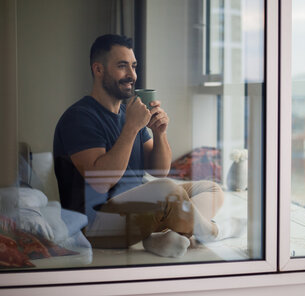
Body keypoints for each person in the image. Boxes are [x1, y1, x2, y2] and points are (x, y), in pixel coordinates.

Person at [53, 34, 241, 258]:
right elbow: (101, 182)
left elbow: (158, 170)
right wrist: (131, 128)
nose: (131, 74)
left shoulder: (130, 112)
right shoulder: (79, 117)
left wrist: (159, 133)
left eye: (133, 66)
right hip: (95, 223)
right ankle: (213, 231)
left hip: (135, 209)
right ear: (98, 69)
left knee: (210, 189)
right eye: (122, 66)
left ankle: (164, 237)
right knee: (165, 190)